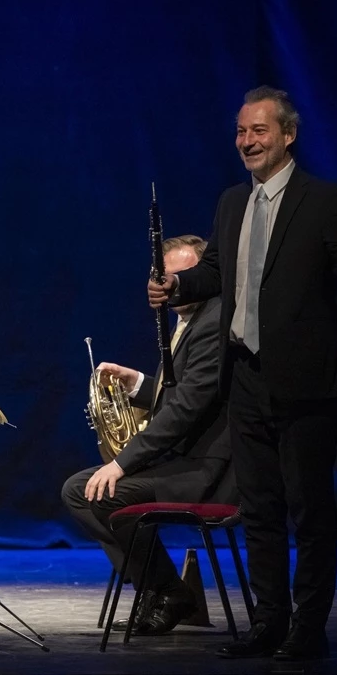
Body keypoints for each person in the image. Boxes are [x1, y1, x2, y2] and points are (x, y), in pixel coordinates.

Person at [148, 86, 337, 660]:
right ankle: (268, 621)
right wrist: (177, 287)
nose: (246, 142)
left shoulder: (324, 199)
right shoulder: (233, 202)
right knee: (258, 508)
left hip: (306, 383)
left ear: (288, 135)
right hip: (247, 377)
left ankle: (308, 626)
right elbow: (212, 273)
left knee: (309, 508)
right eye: (240, 131)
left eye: (259, 131)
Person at [61, 235, 232, 635]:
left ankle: (164, 591)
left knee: (100, 492)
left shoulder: (212, 322)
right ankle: (161, 590)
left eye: (181, 275)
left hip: (205, 470)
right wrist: (139, 383)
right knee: (79, 490)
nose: (170, 284)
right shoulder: (188, 321)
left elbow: (188, 410)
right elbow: (181, 392)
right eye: (164, 276)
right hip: (182, 461)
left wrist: (121, 464)